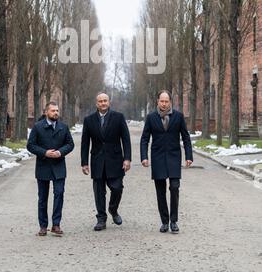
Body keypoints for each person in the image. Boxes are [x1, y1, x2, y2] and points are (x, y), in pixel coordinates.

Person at [140, 90, 193, 233]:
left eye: (166, 101)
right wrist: (144, 156)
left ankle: (174, 221)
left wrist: (189, 156)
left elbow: (186, 137)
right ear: (158, 101)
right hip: (157, 158)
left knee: (174, 187)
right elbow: (145, 138)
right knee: (160, 191)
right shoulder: (151, 118)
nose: (164, 104)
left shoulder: (178, 117)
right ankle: (164, 221)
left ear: (170, 102)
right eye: (161, 101)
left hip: (174, 157)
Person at [81, 92, 131, 231]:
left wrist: (127, 159)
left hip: (115, 160)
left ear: (109, 102)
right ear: (96, 103)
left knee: (117, 188)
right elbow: (85, 143)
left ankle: (113, 209)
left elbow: (125, 139)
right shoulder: (89, 120)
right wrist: (84, 162)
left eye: (105, 101)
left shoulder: (118, 117)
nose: (103, 103)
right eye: (100, 101)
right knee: (99, 191)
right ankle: (101, 219)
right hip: (97, 160)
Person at [27, 101, 74, 236]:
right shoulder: (38, 127)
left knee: (59, 194)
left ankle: (56, 224)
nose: (56, 113)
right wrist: (45, 152)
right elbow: (30, 145)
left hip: (59, 166)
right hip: (43, 166)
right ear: (46, 112)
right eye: (53, 110)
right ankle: (43, 226)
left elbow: (70, 144)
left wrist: (60, 152)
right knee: (42, 197)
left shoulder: (63, 127)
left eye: (57, 111)